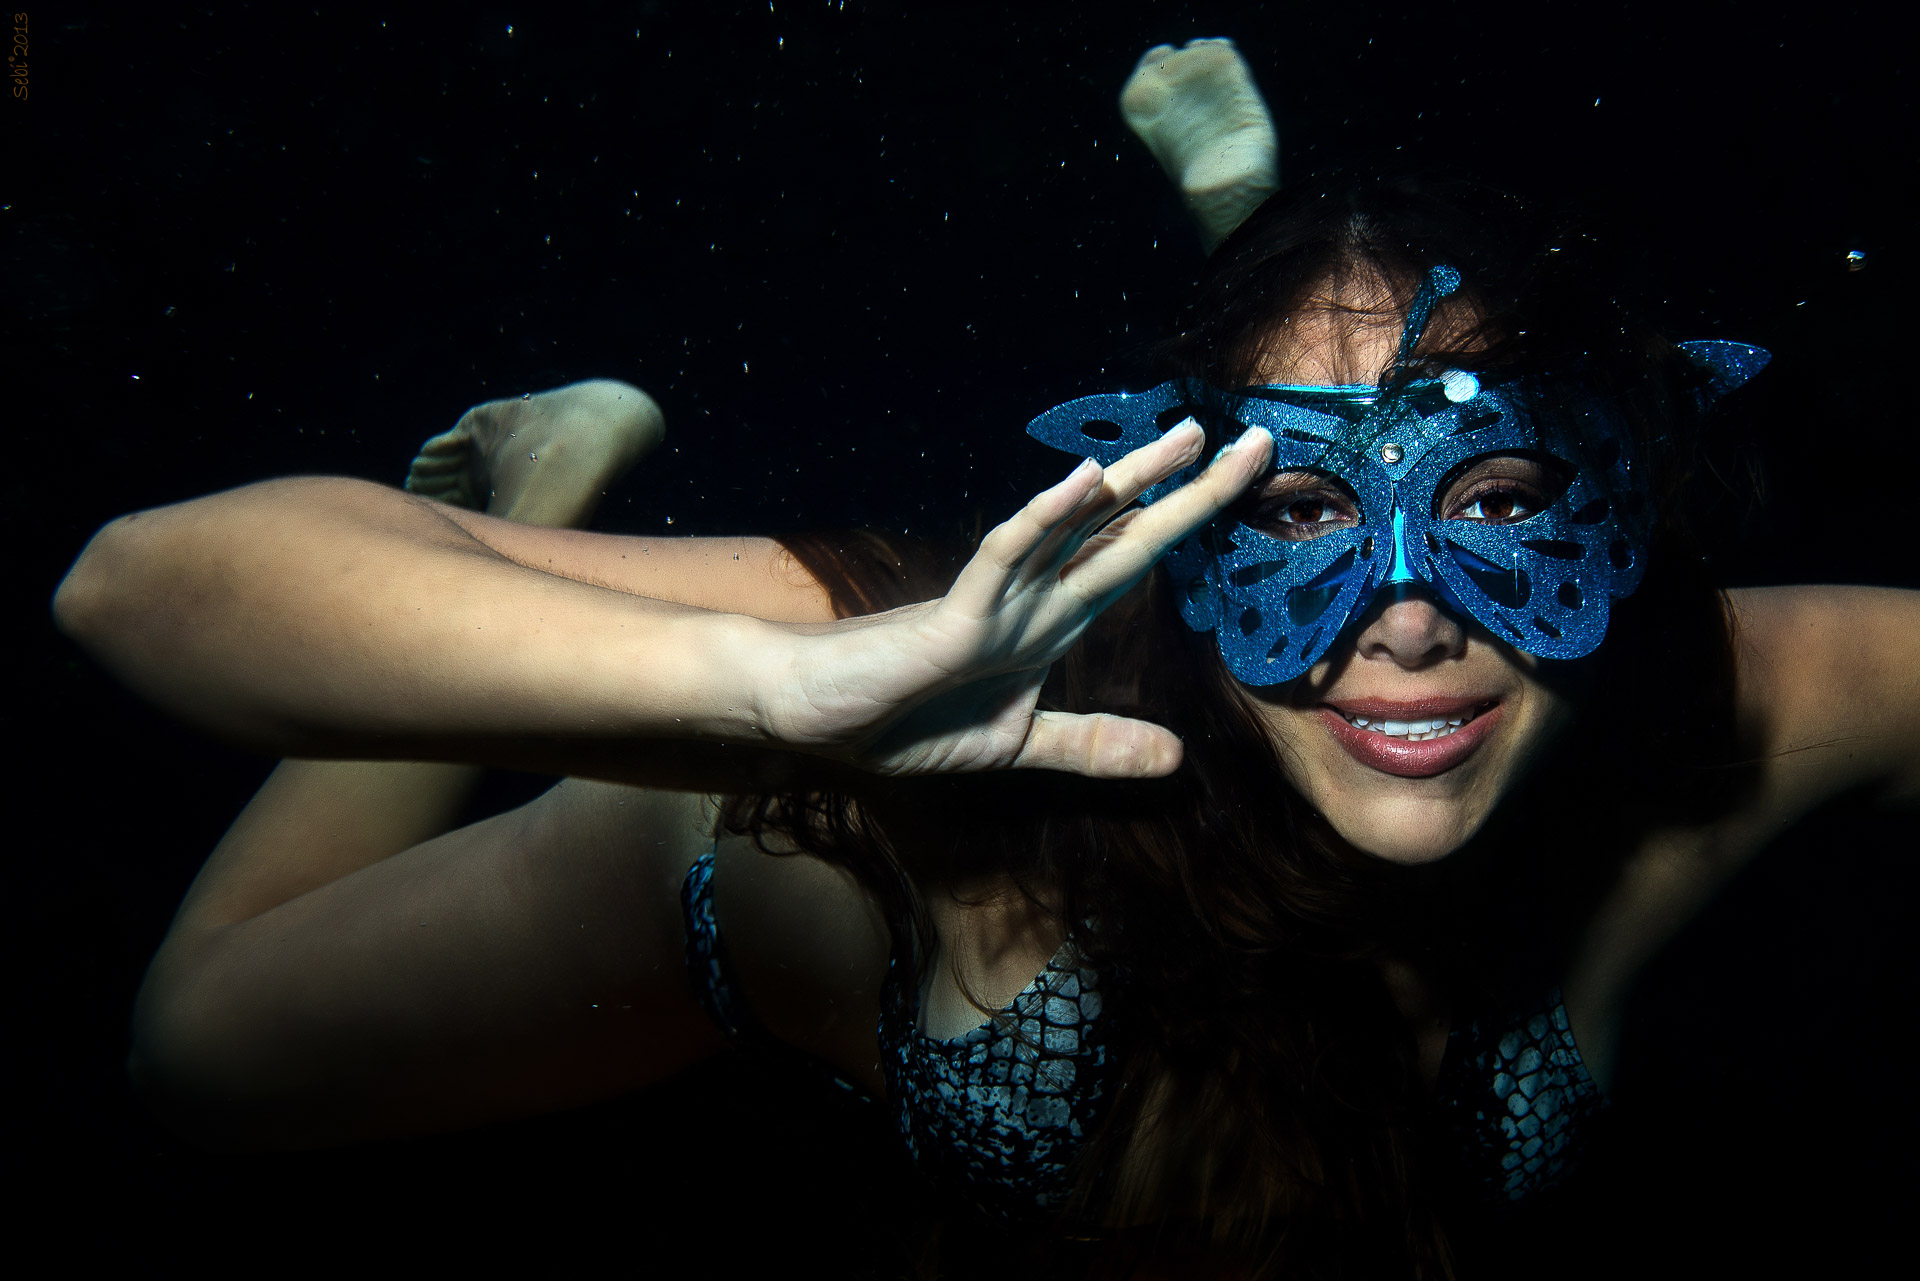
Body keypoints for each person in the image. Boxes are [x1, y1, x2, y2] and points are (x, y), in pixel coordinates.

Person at [49, 40, 1919, 1279]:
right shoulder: (999, 652)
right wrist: (755, 692)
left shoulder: (1708, 689)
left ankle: (1257, 243)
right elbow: (138, 588)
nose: (1409, 613)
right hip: (727, 848)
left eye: (1504, 496)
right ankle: (571, 477)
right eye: (1283, 522)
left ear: (1628, 499)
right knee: (192, 1053)